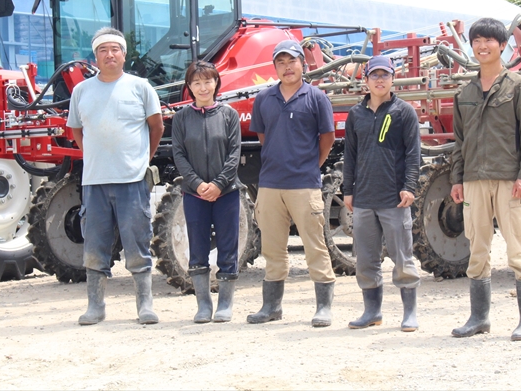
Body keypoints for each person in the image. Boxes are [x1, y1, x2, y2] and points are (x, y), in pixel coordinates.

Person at [449, 17, 521, 341]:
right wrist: (457, 179)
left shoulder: (519, 87)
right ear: (471, 46)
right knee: (477, 248)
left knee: (517, 248)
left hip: (509, 179)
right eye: (477, 41)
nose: (482, 46)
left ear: (503, 45)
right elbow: (459, 141)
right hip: (474, 179)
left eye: (489, 40)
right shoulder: (465, 93)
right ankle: (479, 317)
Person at [67, 27, 164, 326]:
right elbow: (75, 130)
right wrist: (94, 156)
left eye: (115, 49)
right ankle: (95, 306)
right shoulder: (81, 91)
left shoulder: (140, 87)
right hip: (94, 182)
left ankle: (144, 306)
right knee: (95, 244)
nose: (109, 55)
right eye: (102, 50)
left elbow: (156, 126)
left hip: (132, 181)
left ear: (124, 54)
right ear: (94, 56)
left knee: (138, 241)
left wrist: (141, 160)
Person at [247, 39, 337, 327]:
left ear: (303, 63)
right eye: (281, 62)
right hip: (271, 184)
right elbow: (264, 138)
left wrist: (311, 166)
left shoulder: (316, 98)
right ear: (275, 67)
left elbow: (327, 139)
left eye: (292, 61)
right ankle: (271, 306)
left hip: (304, 184)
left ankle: (323, 307)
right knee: (273, 249)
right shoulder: (263, 99)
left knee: (315, 246)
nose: (287, 67)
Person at [342, 55, 422, 332]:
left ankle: (409, 313)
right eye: (374, 75)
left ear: (392, 78)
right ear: (365, 80)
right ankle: (372, 312)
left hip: (394, 199)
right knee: (365, 258)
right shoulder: (355, 115)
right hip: (363, 198)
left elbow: (414, 154)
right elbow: (349, 155)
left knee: (402, 257)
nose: (379, 80)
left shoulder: (404, 112)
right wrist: (347, 190)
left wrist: (409, 186)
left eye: (384, 75)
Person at [171, 61, 242, 323]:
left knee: (228, 246)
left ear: (216, 83)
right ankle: (203, 304)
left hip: (227, 193)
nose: (203, 87)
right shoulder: (181, 118)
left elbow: (235, 153)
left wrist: (219, 184)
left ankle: (225, 303)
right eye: (197, 82)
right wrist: (198, 184)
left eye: (208, 81)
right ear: (189, 87)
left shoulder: (229, 115)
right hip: (194, 194)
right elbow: (178, 153)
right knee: (198, 247)